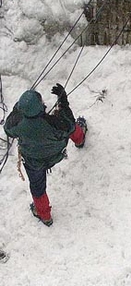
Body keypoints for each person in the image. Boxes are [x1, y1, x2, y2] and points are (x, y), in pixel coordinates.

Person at [5, 84, 88, 226]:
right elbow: (69, 124)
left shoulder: (17, 124)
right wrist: (63, 101)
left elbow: (8, 129)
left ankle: (45, 216)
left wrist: (17, 110)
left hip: (33, 161)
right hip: (56, 153)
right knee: (71, 128)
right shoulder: (54, 122)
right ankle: (79, 140)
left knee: (37, 188)